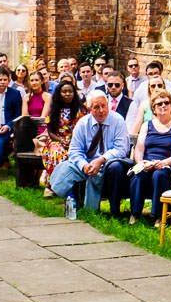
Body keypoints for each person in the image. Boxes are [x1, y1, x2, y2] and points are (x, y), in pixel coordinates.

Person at [50, 90, 129, 220]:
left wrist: (101, 160)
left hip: (108, 163)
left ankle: (105, 211)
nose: (101, 110)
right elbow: (74, 150)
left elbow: (121, 149)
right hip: (87, 162)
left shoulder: (118, 120)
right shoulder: (82, 124)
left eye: (104, 106)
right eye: (96, 107)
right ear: (89, 108)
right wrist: (84, 165)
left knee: (114, 167)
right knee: (66, 167)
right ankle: (69, 201)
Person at [126, 91, 171, 224]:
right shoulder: (146, 125)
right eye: (159, 104)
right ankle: (135, 213)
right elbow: (139, 149)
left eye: (166, 103)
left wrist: (163, 162)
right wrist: (141, 162)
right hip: (147, 162)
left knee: (159, 175)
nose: (163, 106)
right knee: (138, 175)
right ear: (154, 109)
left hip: (167, 163)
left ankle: (158, 216)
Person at [37, 79, 82, 197]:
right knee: (57, 153)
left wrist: (72, 140)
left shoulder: (81, 110)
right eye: (64, 92)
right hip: (56, 140)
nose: (67, 94)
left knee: (71, 154)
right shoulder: (54, 111)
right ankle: (51, 186)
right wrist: (60, 140)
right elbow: (50, 131)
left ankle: (67, 186)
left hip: (76, 141)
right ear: (59, 94)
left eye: (70, 92)